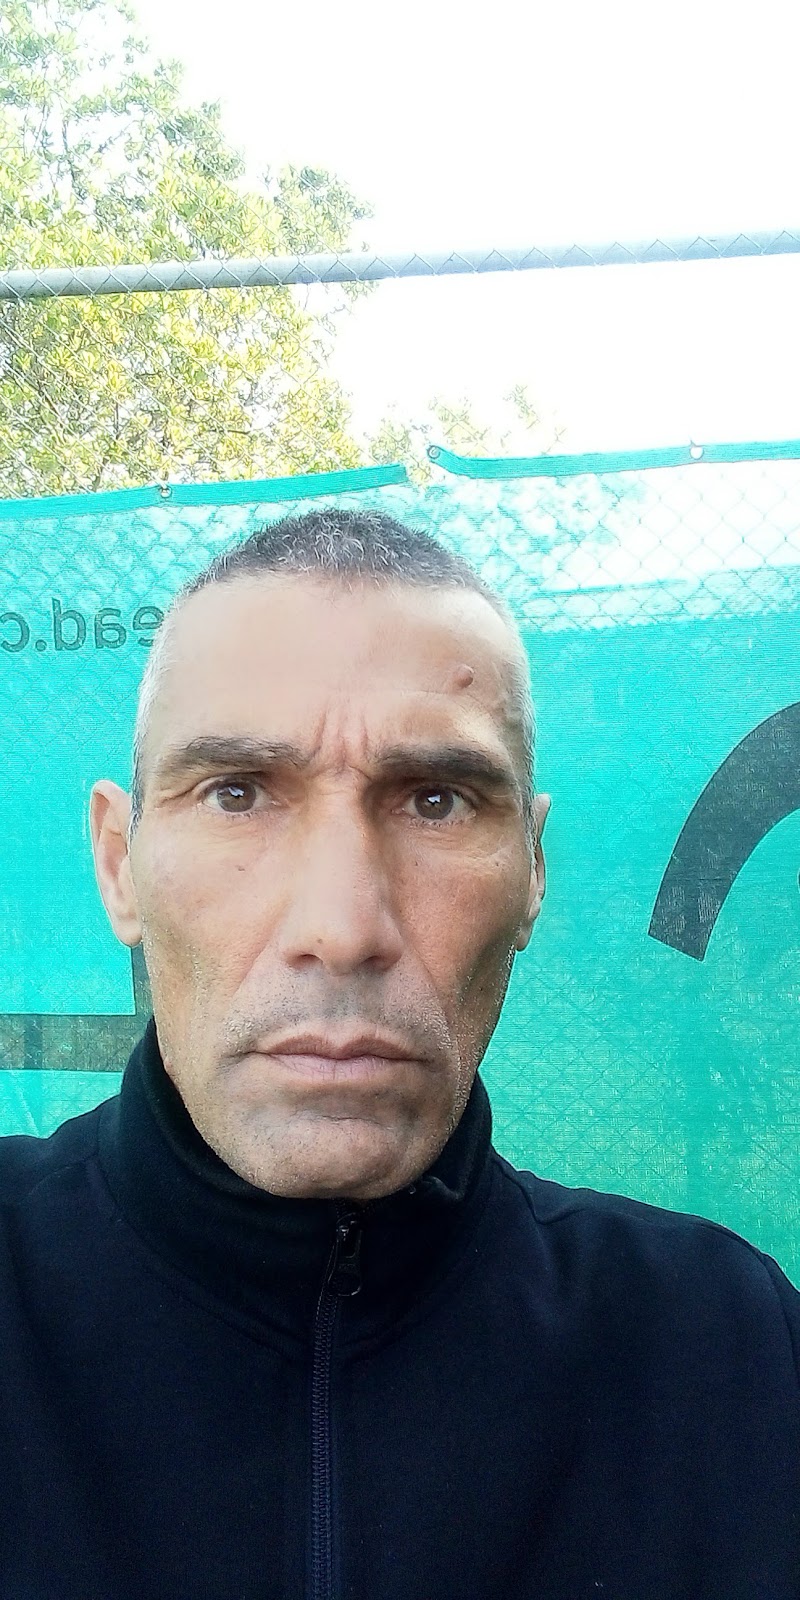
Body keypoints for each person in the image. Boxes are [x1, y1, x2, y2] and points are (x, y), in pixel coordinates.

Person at [1, 507, 797, 1600]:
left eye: (436, 801)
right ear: (117, 863)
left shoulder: (732, 1355)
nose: (342, 926)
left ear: (532, 870)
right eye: (236, 793)